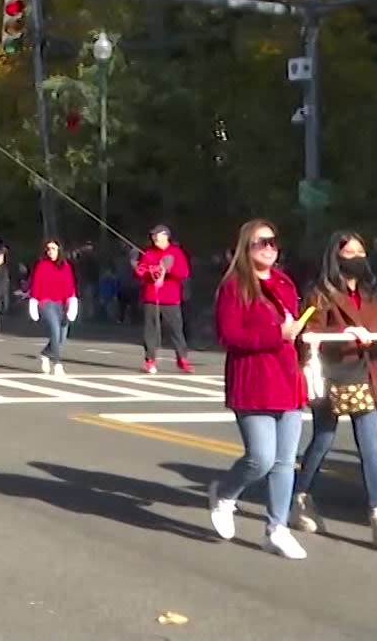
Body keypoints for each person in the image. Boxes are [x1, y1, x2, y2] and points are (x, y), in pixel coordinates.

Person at [289, 232, 377, 551]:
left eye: (360, 251)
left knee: (370, 446)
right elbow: (308, 333)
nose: (356, 257)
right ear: (335, 257)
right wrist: (345, 333)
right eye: (349, 252)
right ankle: (300, 497)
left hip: (365, 373)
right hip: (332, 374)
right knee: (323, 439)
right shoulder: (320, 293)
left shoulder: (371, 294)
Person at [207, 218, 309, 560]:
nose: (269, 247)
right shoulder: (234, 286)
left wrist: (303, 342)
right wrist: (275, 336)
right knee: (260, 458)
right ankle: (224, 493)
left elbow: (293, 331)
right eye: (260, 242)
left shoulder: (284, 282)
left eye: (273, 241)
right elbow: (229, 336)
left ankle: (276, 528)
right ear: (245, 249)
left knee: (284, 462)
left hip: (288, 380)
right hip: (253, 380)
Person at [136, 224, 193, 374]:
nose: (155, 238)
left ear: (166, 236)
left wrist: (167, 270)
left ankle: (182, 358)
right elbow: (140, 271)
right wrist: (147, 271)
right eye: (153, 236)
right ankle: (150, 359)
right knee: (150, 330)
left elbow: (184, 272)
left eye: (158, 235)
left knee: (176, 329)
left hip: (171, 298)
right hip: (151, 297)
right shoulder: (148, 252)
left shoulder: (176, 252)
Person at [26, 238, 78, 376]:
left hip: (62, 303)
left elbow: (70, 286)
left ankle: (45, 354)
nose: (50, 252)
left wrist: (72, 302)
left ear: (59, 250)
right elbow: (36, 285)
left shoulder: (66, 266)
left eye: (53, 249)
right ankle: (57, 363)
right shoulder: (41, 265)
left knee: (62, 337)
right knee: (55, 331)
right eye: (48, 249)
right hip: (46, 302)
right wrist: (34, 302)